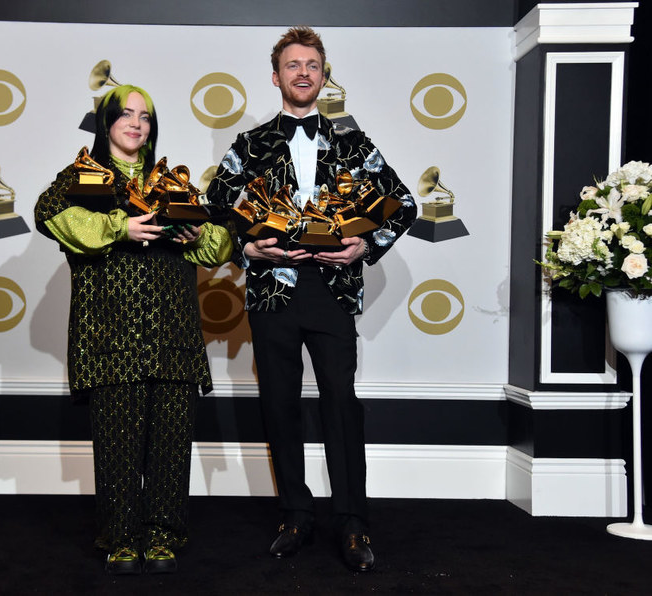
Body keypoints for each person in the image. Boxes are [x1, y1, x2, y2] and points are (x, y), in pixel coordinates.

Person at [205, 27, 416, 572]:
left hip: (332, 291)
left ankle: (352, 523)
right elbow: (215, 211)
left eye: (313, 65)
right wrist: (247, 248)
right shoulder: (249, 146)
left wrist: (365, 246)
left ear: (324, 76)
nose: (303, 73)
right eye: (293, 65)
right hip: (271, 292)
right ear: (276, 77)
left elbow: (406, 204)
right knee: (279, 405)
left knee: (340, 407)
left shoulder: (354, 141)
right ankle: (295, 514)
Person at [34, 84, 232, 575]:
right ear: (106, 123)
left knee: (170, 440)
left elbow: (219, 246)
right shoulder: (83, 174)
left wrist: (196, 231)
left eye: (145, 116)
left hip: (172, 332)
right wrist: (119, 228)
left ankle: (164, 533)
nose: (136, 123)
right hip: (110, 332)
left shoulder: (172, 181)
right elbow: (48, 213)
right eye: (126, 114)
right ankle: (121, 537)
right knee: (118, 442)